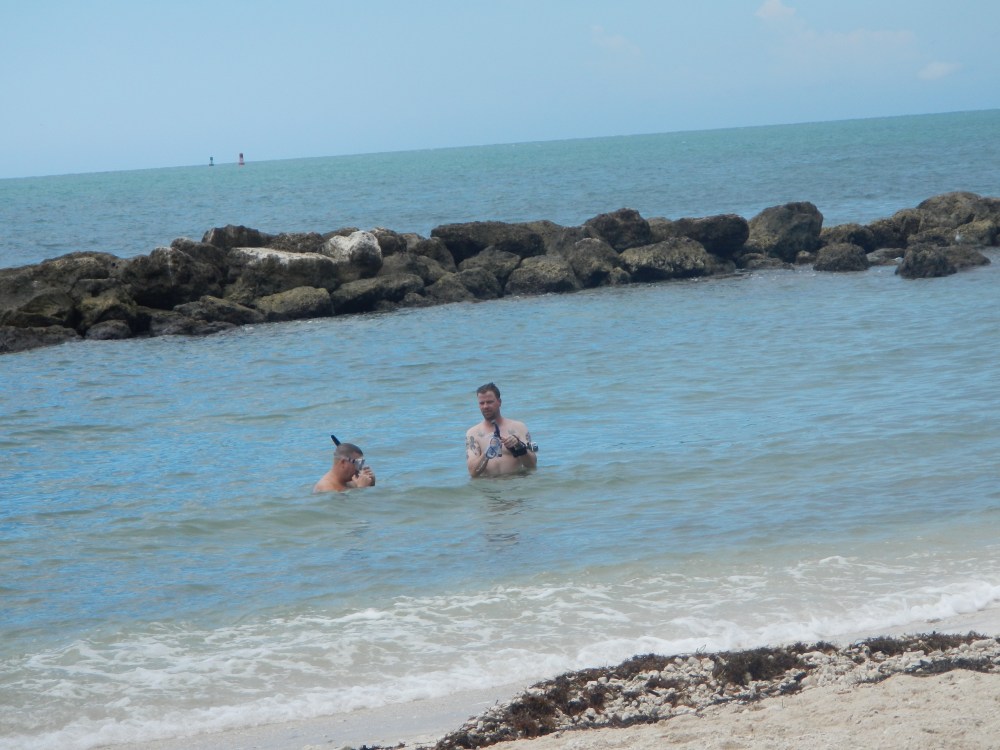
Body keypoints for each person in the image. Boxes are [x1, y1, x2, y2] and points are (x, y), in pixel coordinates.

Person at [466, 382, 537, 478]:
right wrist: (488, 453)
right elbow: (473, 473)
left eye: (489, 402)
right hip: (490, 488)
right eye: (481, 403)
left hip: (516, 485)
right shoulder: (473, 434)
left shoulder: (519, 427)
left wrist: (519, 446)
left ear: (499, 402)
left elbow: (532, 465)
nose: (485, 406)